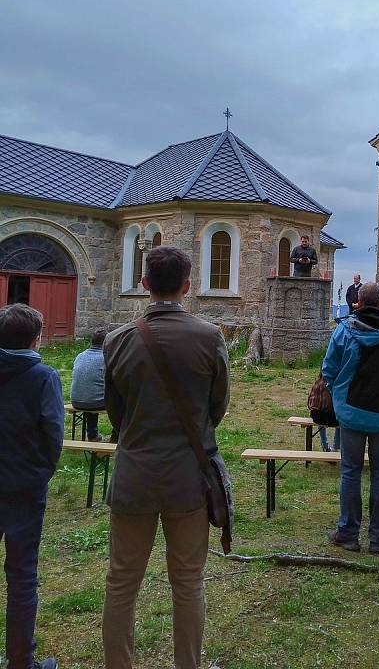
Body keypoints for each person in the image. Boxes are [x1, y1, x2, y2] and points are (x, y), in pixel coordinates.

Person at [102, 246, 230, 669]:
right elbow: (217, 407)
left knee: (122, 581)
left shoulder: (117, 341)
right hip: (187, 477)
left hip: (134, 472)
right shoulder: (210, 337)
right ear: (188, 285)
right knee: (189, 582)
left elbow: (116, 414)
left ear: (143, 285)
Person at [322, 282, 379, 554]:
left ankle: (348, 533)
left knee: (351, 472)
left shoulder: (344, 331)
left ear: (359, 303)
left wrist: (338, 392)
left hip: (351, 412)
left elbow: (329, 369)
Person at [0, 303, 64, 669]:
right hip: (24, 485)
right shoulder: (42, 376)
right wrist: (42, 471)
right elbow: (53, 433)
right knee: (22, 575)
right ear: (36, 339)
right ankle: (21, 661)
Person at [71, 327, 108, 441]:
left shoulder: (80, 356)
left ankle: (92, 434)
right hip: (95, 402)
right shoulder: (105, 358)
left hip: (76, 400)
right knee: (117, 401)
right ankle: (116, 436)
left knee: (92, 391)